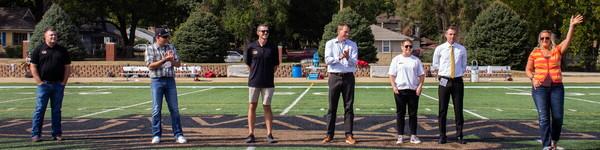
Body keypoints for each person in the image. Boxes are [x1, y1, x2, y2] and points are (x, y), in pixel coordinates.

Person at [526, 15, 583, 150]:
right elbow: (528, 70)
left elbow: (567, 40)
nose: (545, 40)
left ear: (550, 39)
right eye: (542, 38)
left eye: (547, 38)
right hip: (540, 88)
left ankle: (554, 141)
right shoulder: (534, 53)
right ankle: (546, 145)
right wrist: (533, 78)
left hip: (557, 87)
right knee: (544, 118)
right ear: (539, 40)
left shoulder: (557, 50)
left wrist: (572, 26)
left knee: (557, 118)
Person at [29, 26, 71, 142]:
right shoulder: (38, 49)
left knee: (56, 110)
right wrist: (39, 82)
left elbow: (67, 67)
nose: (53, 37)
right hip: (44, 85)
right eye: (51, 35)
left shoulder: (62, 50)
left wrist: (63, 83)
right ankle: (36, 134)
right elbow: (33, 66)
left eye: (55, 35)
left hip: (58, 85)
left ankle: (56, 134)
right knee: (39, 109)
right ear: (45, 36)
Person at [145, 28, 186, 144]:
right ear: (158, 37)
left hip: (170, 80)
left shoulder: (171, 47)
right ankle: (156, 134)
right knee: (156, 109)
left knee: (174, 109)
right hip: (156, 80)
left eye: (168, 37)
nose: (167, 39)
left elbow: (178, 64)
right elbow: (150, 66)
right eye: (165, 37)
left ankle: (178, 134)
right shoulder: (150, 48)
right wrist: (164, 60)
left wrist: (172, 60)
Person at [321, 23, 358, 145]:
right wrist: (340, 57)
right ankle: (329, 134)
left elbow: (354, 62)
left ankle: (349, 135)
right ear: (339, 31)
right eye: (345, 32)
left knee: (349, 107)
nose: (347, 34)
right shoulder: (330, 43)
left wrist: (347, 58)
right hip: (334, 77)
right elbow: (328, 60)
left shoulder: (352, 44)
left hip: (348, 77)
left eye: (348, 32)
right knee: (332, 107)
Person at [244, 24, 279, 143]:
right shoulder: (251, 46)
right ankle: (251, 134)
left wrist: (267, 74)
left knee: (267, 107)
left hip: (268, 83)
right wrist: (256, 73)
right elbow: (248, 64)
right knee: (252, 106)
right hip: (254, 82)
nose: (265, 33)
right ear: (258, 32)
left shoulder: (272, 47)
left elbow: (275, 66)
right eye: (263, 31)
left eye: (267, 31)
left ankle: (269, 134)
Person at [431, 26, 467, 144]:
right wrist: (441, 75)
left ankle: (459, 135)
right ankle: (442, 135)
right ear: (446, 35)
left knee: (458, 109)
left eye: (454, 34)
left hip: (457, 80)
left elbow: (463, 65)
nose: (452, 36)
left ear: (456, 35)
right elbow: (435, 64)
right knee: (442, 109)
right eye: (450, 34)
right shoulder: (439, 49)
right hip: (444, 80)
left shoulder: (461, 49)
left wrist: (458, 73)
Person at [388, 40, 425, 144]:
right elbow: (391, 74)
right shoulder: (396, 59)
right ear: (402, 47)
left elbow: (421, 75)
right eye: (406, 46)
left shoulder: (416, 60)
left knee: (413, 114)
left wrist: (420, 87)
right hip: (400, 91)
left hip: (413, 91)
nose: (408, 48)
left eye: (410, 46)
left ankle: (413, 136)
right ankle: (400, 136)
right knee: (400, 114)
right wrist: (394, 87)